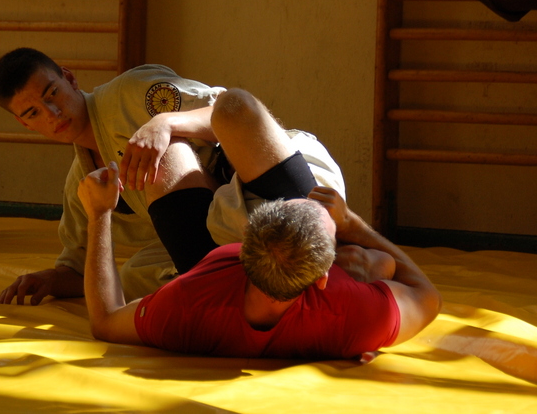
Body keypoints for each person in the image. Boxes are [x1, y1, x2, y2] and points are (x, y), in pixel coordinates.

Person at [77, 88, 442, 360]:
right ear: (324, 277)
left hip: (209, 278)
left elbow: (105, 320)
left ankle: (206, 156)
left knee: (170, 152)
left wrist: (99, 214)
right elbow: (428, 296)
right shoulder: (352, 313)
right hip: (314, 276)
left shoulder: (189, 304)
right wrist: (353, 225)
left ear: (243, 245)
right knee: (375, 264)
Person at [0, 48, 345, 304]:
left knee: (162, 159)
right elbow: (80, 263)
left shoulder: (129, 93)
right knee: (134, 274)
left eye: (52, 93)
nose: (52, 113)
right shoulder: (82, 182)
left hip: (278, 176)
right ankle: (237, 290)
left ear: (69, 78)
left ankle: (328, 254)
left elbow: (234, 113)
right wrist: (51, 281)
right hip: (226, 222)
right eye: (34, 112)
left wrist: (166, 122)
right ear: (25, 124)